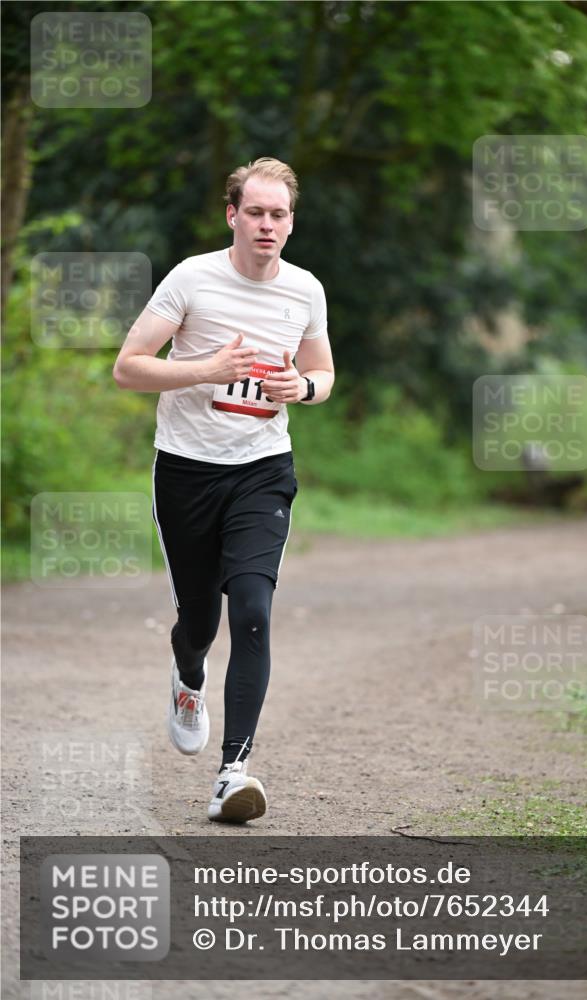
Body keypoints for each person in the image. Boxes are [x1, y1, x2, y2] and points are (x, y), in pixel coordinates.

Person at [113, 157, 334, 823]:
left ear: (291, 223)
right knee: (200, 622)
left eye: (279, 214)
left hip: (262, 469)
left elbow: (323, 372)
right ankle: (188, 676)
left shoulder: (305, 290)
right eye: (255, 212)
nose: (267, 224)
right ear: (232, 214)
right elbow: (128, 368)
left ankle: (232, 772)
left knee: (254, 610)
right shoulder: (192, 278)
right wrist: (204, 369)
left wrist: (303, 388)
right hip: (186, 470)